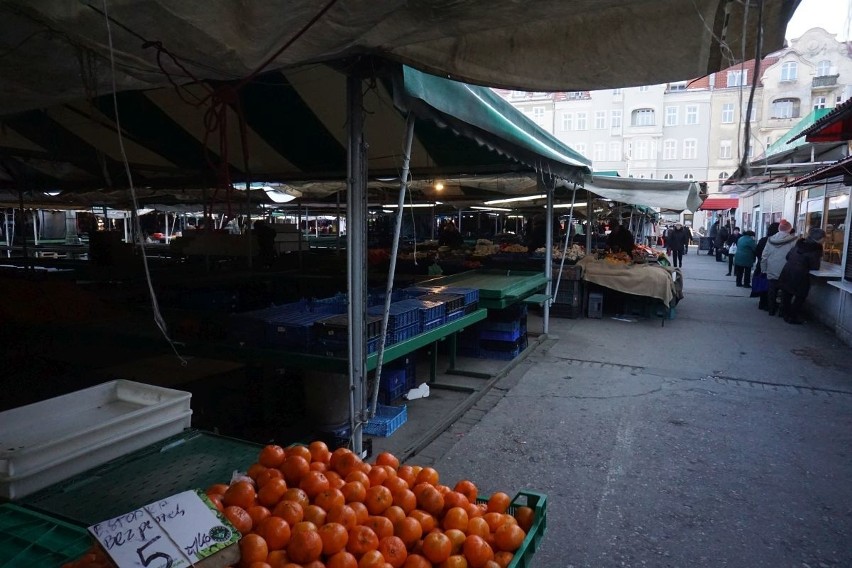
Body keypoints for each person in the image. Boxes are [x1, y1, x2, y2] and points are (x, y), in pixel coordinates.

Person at [777, 227, 825, 324]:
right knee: (800, 296)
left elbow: (788, 256)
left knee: (787, 293)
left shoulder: (799, 244)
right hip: (800, 275)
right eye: (824, 238)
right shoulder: (815, 249)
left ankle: (784, 313)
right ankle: (792, 316)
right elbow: (815, 266)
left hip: (788, 271)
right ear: (820, 238)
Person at [761, 219, 797, 317]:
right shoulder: (794, 241)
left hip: (772, 269)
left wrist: (763, 269)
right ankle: (782, 312)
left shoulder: (770, 240)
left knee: (772, 292)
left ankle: (771, 310)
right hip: (786, 271)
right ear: (789, 229)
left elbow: (764, 256)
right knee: (785, 293)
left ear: (778, 228)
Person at [753, 222, 779, 310]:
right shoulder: (777, 242)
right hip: (772, 266)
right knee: (771, 287)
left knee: (764, 284)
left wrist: (760, 260)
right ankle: (769, 304)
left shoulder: (763, 240)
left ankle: (762, 302)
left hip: (762, 265)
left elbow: (757, 252)